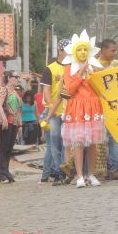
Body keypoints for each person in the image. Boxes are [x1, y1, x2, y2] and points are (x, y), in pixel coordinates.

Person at [61, 30, 105, 188]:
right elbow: (70, 89)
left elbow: (101, 87)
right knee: (78, 142)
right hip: (77, 107)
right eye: (79, 49)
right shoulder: (68, 68)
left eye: (85, 49)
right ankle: (80, 176)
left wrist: (91, 74)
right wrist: (81, 72)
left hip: (93, 106)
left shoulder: (95, 67)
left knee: (93, 142)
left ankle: (91, 174)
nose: (82, 52)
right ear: (73, 52)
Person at [96, 38, 118, 180]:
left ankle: (114, 168)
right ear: (103, 50)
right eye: (112, 50)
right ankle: (102, 169)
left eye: (116, 50)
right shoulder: (93, 66)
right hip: (98, 108)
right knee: (100, 140)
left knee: (114, 138)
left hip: (115, 108)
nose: (115, 53)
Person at [40, 39, 70, 184]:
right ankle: (57, 172)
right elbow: (46, 90)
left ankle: (65, 171)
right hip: (54, 112)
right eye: (67, 51)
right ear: (60, 51)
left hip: (69, 111)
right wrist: (51, 106)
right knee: (54, 143)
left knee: (67, 143)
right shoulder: (50, 69)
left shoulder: (71, 68)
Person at [0, 72, 21, 182]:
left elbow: (18, 110)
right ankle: (1, 175)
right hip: (5, 122)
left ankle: (5, 171)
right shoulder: (2, 90)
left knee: (9, 149)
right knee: (3, 148)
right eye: (15, 77)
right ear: (9, 78)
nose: (17, 80)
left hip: (14, 123)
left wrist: (20, 125)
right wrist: (4, 119)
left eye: (17, 78)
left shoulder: (15, 92)